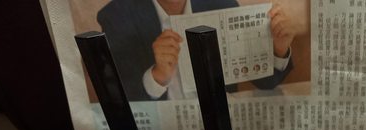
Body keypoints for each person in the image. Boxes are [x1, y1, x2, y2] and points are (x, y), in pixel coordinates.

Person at [97, 0, 296, 101]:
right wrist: (157, 77)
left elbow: (266, 82)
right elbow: (118, 98)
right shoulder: (116, 16)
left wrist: (279, 50)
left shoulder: (221, 3)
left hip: (223, 126)